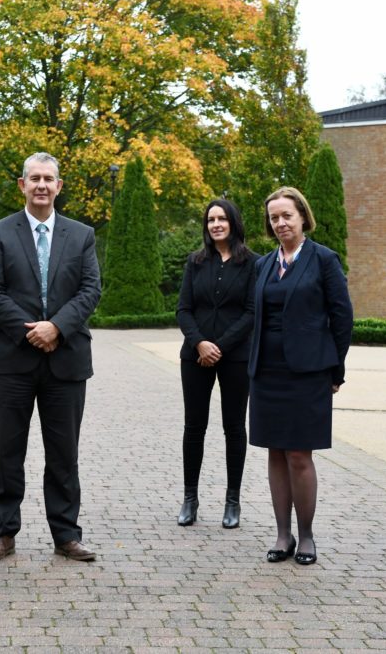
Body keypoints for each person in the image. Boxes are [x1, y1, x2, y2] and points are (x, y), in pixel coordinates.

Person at [0, 152, 102, 562]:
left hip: (65, 362)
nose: (42, 185)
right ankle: (4, 532)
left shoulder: (81, 235)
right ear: (22, 185)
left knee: (64, 454)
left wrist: (57, 328)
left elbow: (90, 289)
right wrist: (32, 331)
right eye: (35, 179)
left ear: (59, 186)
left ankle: (66, 534)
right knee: (6, 452)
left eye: (49, 178)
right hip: (11, 360)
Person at [248, 187, 353, 566]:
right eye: (274, 218)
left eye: (286, 216)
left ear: (302, 217)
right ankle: (282, 535)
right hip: (267, 371)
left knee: (298, 454)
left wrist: (336, 369)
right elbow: (253, 316)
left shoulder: (323, 259)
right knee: (274, 451)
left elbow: (342, 317)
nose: (280, 223)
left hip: (307, 371)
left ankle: (306, 535)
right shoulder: (262, 265)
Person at [175, 198, 256, 528]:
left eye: (222, 219)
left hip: (235, 357)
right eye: (211, 220)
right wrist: (200, 343)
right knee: (194, 427)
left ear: (233, 223)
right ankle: (190, 499)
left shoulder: (253, 263)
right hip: (194, 355)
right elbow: (183, 309)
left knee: (234, 427)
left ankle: (232, 501)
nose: (216, 224)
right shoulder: (195, 262)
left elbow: (252, 312)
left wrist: (219, 346)